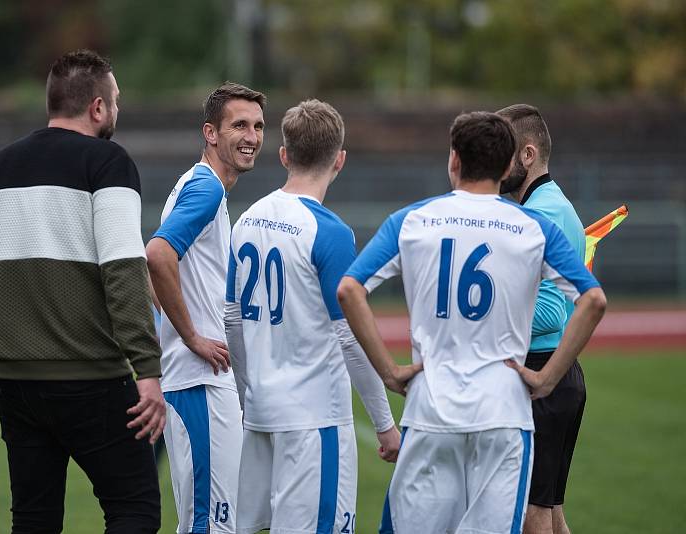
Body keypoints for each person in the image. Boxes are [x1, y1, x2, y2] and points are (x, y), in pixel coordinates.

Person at [337, 111, 607, 534]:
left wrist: (389, 372)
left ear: (454, 162)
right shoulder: (534, 225)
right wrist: (549, 377)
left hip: (431, 410)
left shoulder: (412, 220)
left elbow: (349, 290)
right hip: (502, 413)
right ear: (505, 168)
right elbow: (592, 300)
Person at [0, 50, 165, 534]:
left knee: (33, 520)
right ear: (96, 108)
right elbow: (123, 270)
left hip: (14, 384)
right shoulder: (109, 161)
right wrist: (147, 369)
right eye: (115, 101)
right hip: (92, 378)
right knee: (134, 511)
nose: (116, 111)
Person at [224, 99, 405, 534]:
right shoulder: (331, 231)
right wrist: (384, 424)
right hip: (314, 419)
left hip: (262, 413)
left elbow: (231, 319)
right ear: (339, 160)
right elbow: (350, 338)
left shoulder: (247, 219)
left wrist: (249, 393)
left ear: (284, 155)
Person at [146, 82, 265, 534]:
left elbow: (151, 265)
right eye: (239, 125)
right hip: (200, 383)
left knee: (212, 521)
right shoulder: (207, 189)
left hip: (198, 380)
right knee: (211, 524)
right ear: (210, 133)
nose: (251, 136)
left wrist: (180, 328)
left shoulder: (199, 184)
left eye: (257, 126)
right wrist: (192, 337)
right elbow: (157, 255)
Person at [497, 104, 587, 534]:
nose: (493, 162)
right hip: (553, 378)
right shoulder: (545, 206)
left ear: (527, 155)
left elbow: (552, 312)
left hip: (542, 377)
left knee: (531, 515)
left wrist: (478, 320)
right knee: (549, 514)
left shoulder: (544, 212)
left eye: (503, 151)